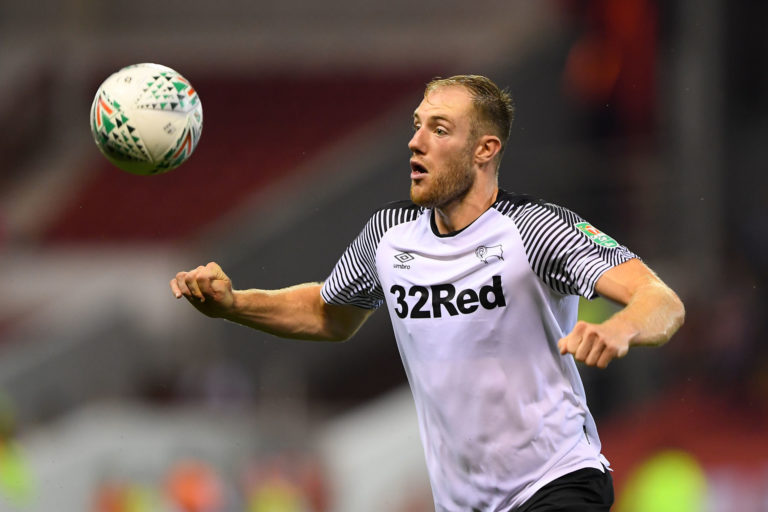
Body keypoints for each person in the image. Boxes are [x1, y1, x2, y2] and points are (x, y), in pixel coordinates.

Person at [170, 75, 685, 511]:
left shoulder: (532, 230)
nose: (416, 142)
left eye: (440, 129)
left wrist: (620, 327)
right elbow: (329, 314)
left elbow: (660, 299)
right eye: (417, 125)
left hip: (558, 482)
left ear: (485, 149)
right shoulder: (390, 234)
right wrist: (234, 305)